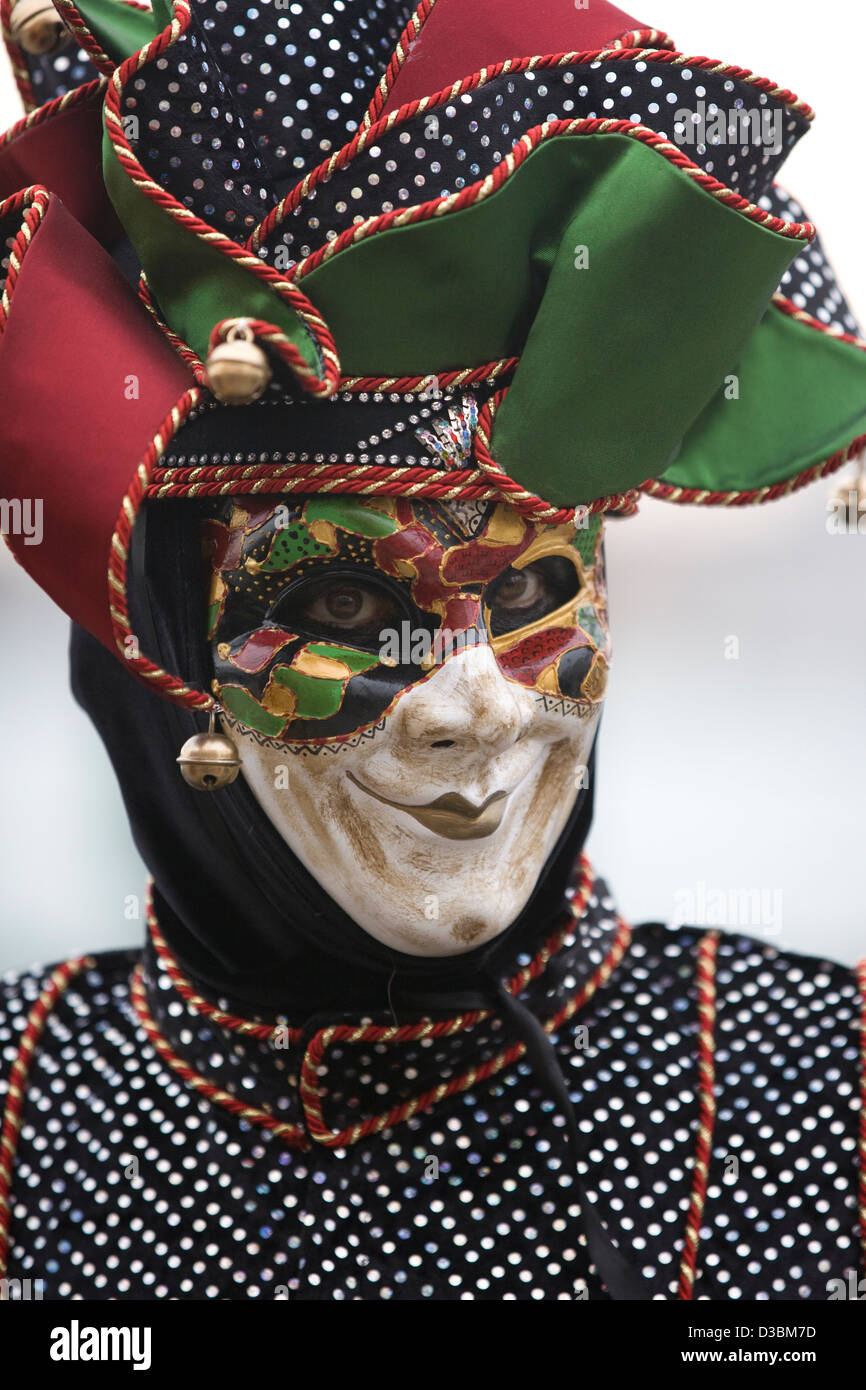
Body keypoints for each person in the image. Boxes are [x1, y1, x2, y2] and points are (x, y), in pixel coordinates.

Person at [0, 0, 864, 1302]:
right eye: (346, 612)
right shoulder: (23, 1109)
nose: (476, 707)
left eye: (525, 589)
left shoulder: (821, 1089)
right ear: (153, 644)